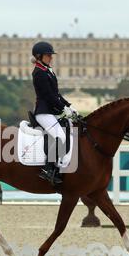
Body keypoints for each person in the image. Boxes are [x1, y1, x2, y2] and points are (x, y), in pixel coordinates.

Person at [31, 41, 78, 185]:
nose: (51, 57)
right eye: (48, 55)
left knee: (71, 130)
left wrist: (68, 106)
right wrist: (62, 108)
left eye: (51, 55)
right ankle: (49, 169)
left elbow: (56, 94)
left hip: (51, 111)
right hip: (44, 112)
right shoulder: (39, 73)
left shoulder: (47, 70)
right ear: (39, 56)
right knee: (60, 137)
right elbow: (48, 96)